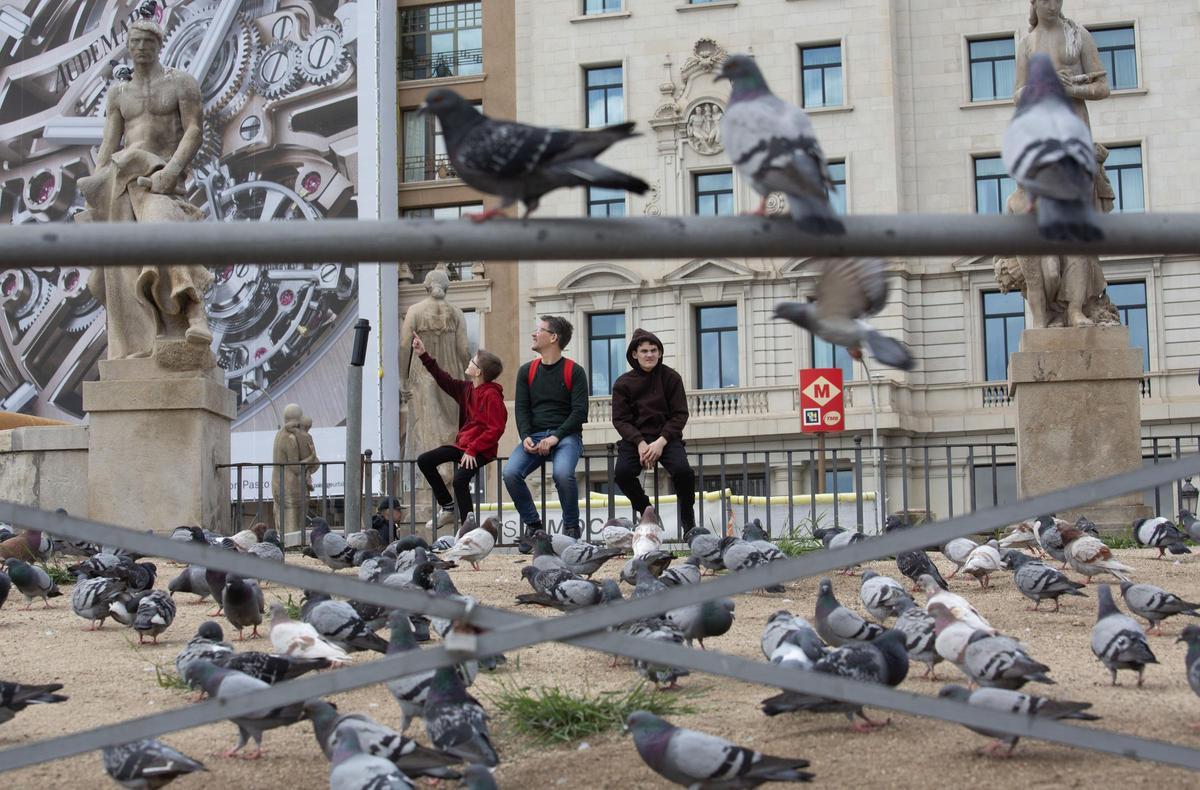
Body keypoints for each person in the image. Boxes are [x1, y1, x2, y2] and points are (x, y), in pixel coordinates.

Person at [504, 315, 589, 552]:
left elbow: (580, 412)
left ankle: (571, 527)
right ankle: (533, 526)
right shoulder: (526, 371)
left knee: (563, 475)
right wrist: (526, 436)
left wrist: (556, 437)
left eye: (539, 330)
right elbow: (521, 408)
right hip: (535, 435)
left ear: (553, 337)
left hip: (566, 437)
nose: (534, 334)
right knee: (510, 473)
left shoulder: (575, 371)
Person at [412, 332, 507, 531]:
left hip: (481, 449)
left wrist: (473, 449)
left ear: (478, 371)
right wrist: (423, 354)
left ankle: (468, 529)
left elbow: (495, 428)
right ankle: (448, 507)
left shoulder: (492, 395)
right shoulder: (466, 389)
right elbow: (443, 379)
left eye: (473, 361)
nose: (469, 361)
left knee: (460, 480)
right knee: (425, 460)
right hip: (464, 445)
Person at [611, 329, 696, 533]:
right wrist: (640, 442)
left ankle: (688, 520)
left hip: (666, 438)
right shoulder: (622, 383)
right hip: (634, 440)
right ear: (634, 354)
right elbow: (620, 420)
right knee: (622, 473)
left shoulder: (671, 378)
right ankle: (646, 509)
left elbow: (680, 415)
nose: (649, 355)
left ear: (659, 353)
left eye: (654, 350)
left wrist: (661, 442)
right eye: (644, 351)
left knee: (684, 472)